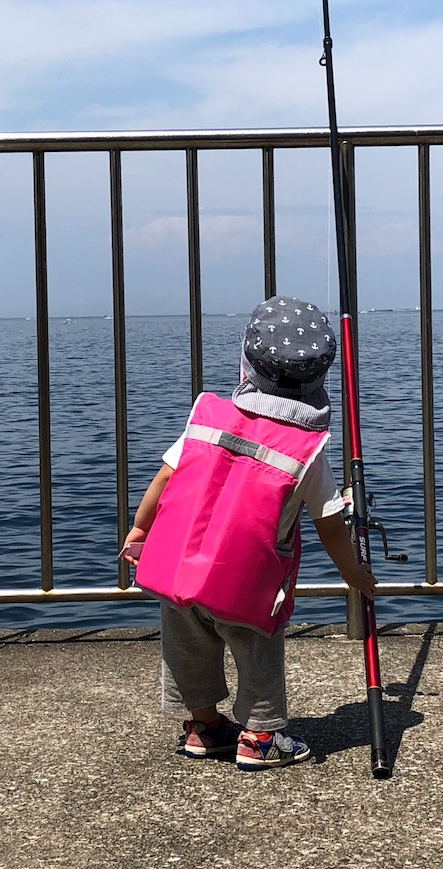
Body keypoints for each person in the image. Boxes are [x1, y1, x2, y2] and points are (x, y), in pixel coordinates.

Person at [120, 296, 377, 771]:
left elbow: (164, 481)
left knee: (186, 648)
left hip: (177, 567)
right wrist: (353, 575)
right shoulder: (306, 453)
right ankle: (260, 738)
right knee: (258, 651)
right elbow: (329, 526)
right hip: (246, 577)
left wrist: (139, 530)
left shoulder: (208, 420)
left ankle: (204, 727)